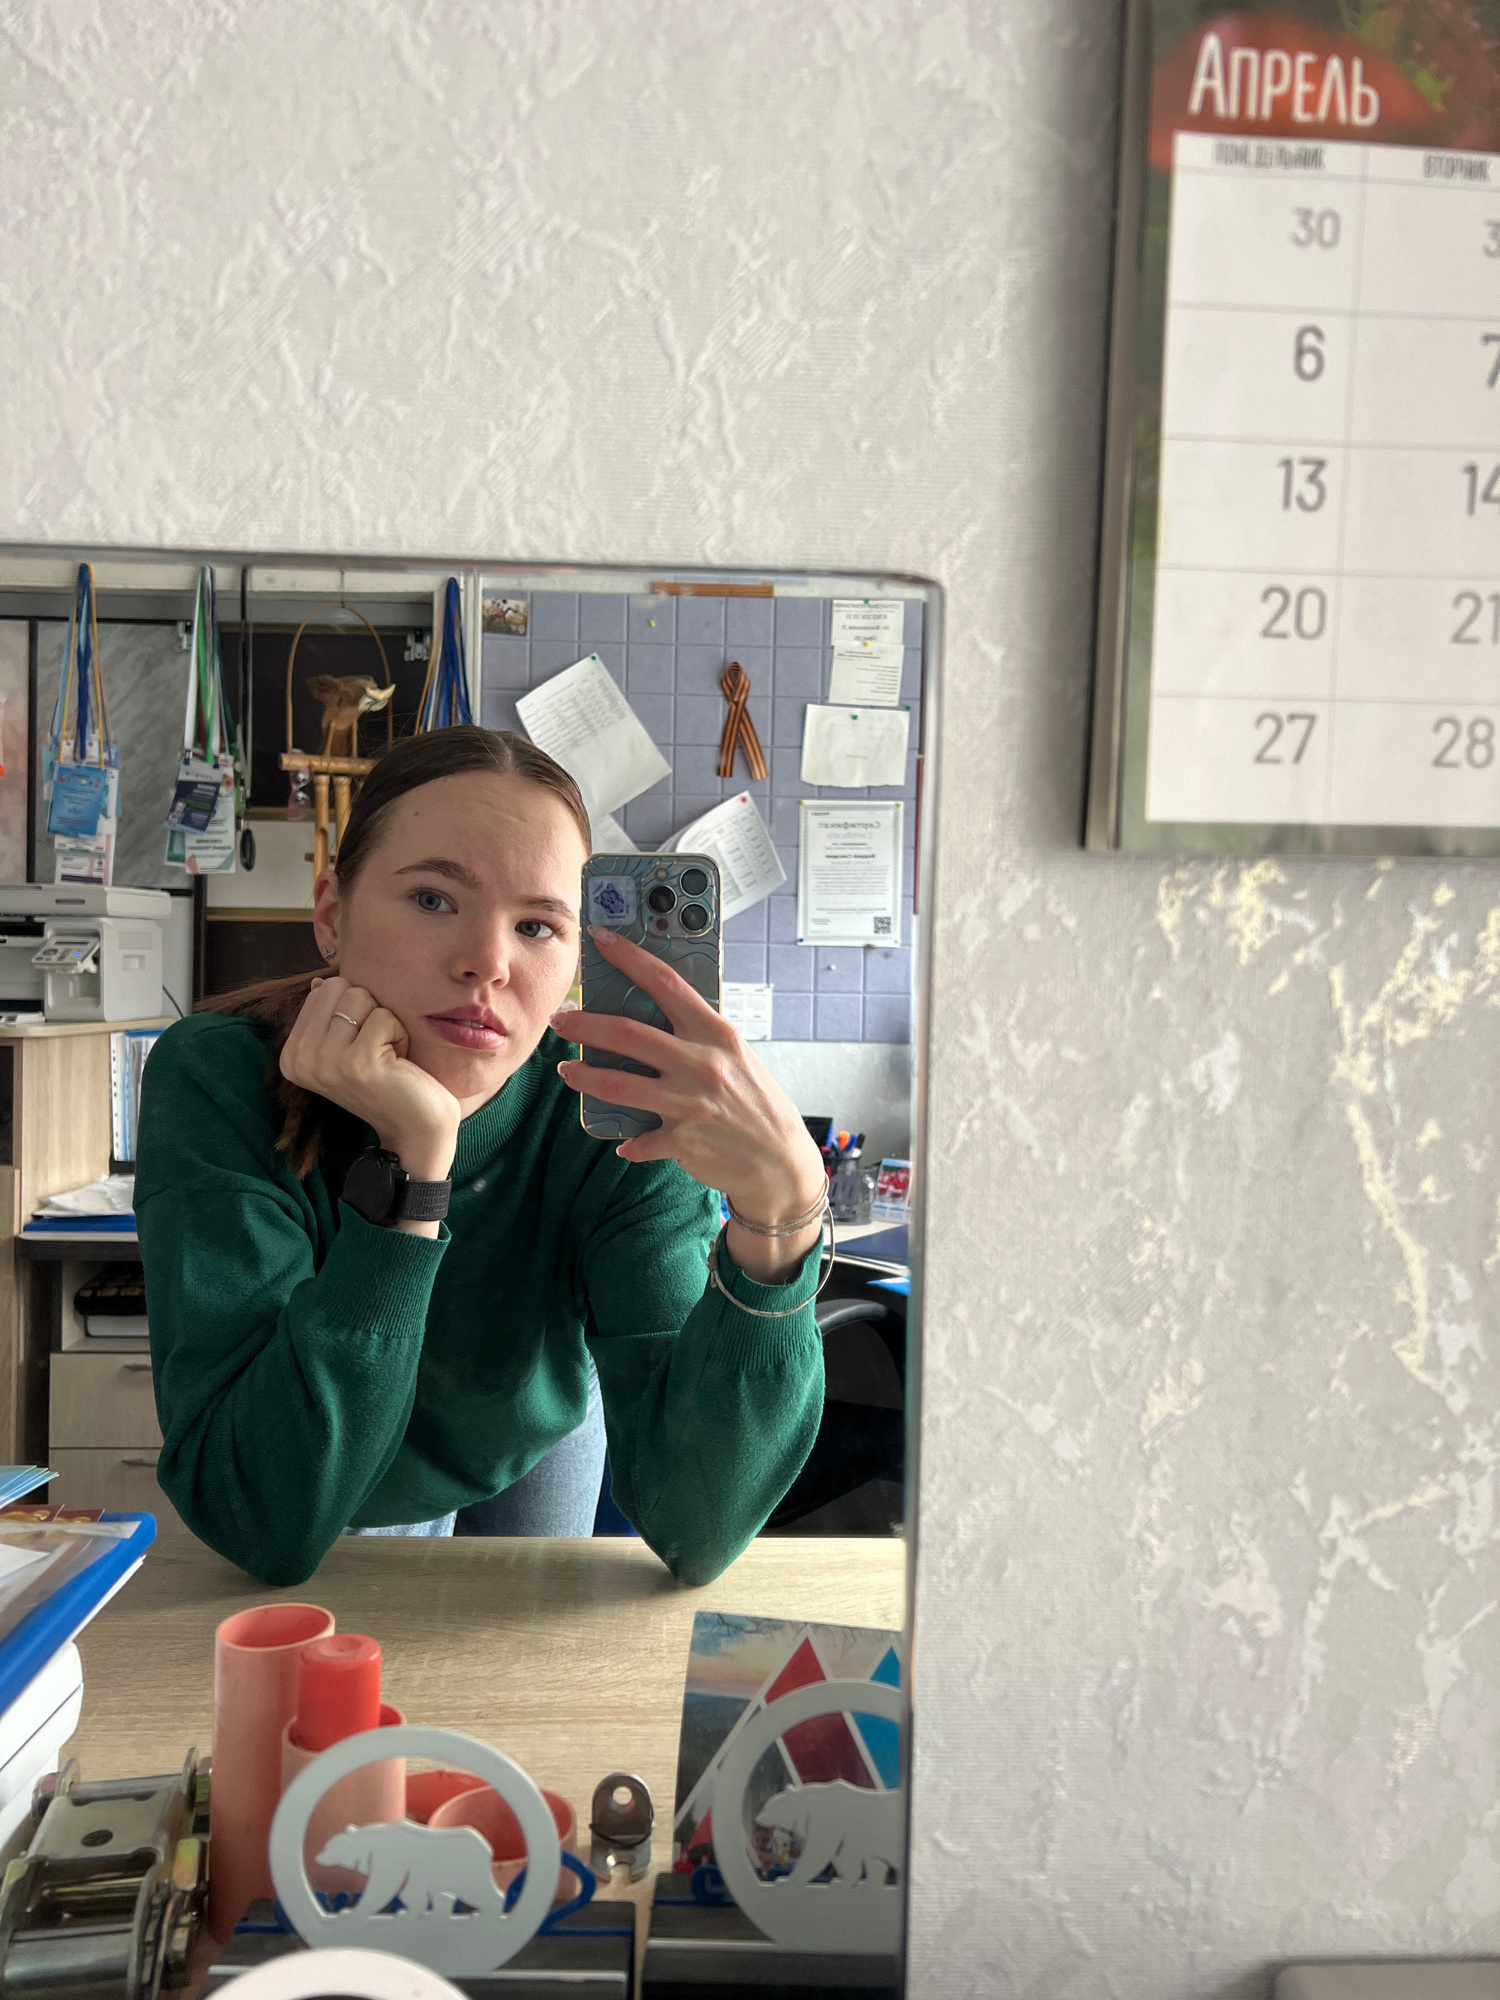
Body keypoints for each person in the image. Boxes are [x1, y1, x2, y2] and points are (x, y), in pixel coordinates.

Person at [135, 726, 830, 1587]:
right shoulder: (219, 1076)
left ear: (576, 959)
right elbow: (261, 1518)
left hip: (528, 1426)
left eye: (537, 925)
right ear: (332, 916)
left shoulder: (614, 1111)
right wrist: (412, 1169)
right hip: (331, 1451)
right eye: (433, 899)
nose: (488, 964)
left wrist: (782, 1219)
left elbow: (700, 1531)